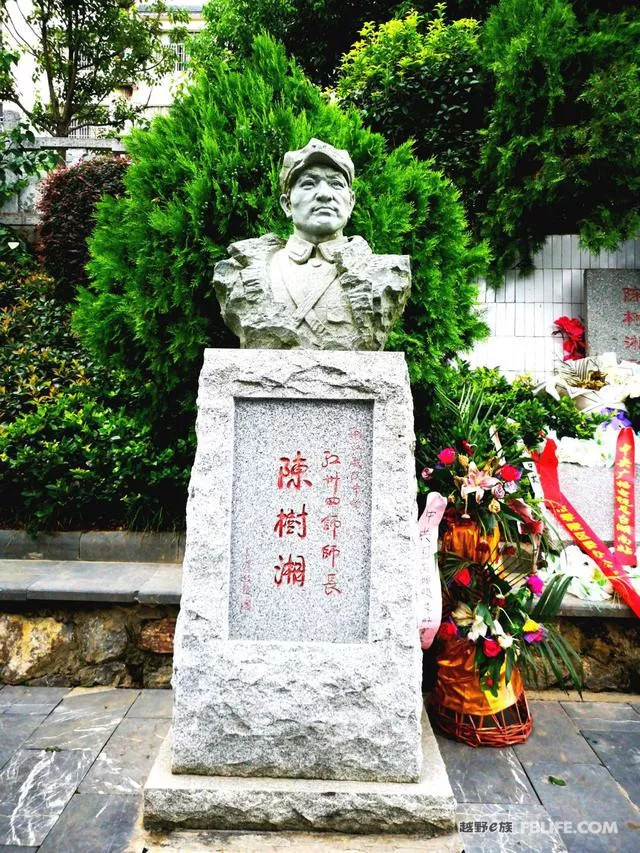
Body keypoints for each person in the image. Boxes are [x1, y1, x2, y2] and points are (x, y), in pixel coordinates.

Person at [214, 138, 411, 350]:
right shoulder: (248, 270)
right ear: (287, 204)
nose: (325, 194)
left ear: (351, 202)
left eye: (336, 184)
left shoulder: (385, 274)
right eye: (309, 183)